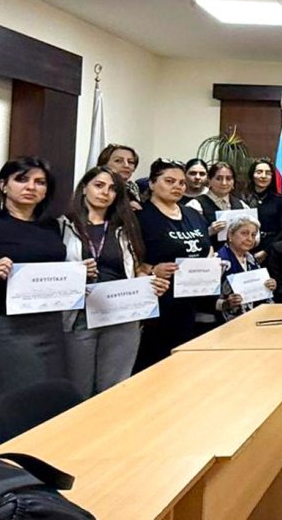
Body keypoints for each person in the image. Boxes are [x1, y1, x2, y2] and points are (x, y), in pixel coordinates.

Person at [59, 166, 169, 397]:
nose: (105, 193)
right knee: (78, 389)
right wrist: (75, 273)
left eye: (112, 189)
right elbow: (52, 271)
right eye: (99, 186)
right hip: (80, 315)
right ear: (84, 188)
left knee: (116, 388)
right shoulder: (63, 225)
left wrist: (149, 282)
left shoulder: (125, 227)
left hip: (122, 314)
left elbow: (136, 268)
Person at [135, 158, 215, 370]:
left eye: (181, 183)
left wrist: (212, 264)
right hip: (159, 304)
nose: (177, 187)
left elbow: (207, 248)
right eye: (169, 181)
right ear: (152, 183)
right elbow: (128, 260)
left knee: (188, 364)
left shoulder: (192, 214)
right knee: (157, 364)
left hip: (194, 301)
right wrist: (152, 269)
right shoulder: (141, 217)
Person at [0, 157, 69, 395]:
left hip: (50, 321)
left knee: (51, 391)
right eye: (22, 179)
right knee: (20, 393)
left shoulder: (51, 226)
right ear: (3, 185)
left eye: (40, 182)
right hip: (9, 324)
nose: (31, 187)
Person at [216, 217, 277, 321]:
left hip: (255, 318)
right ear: (230, 235)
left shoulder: (251, 259)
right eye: (244, 233)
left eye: (253, 235)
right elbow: (205, 300)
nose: (250, 239)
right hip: (225, 323)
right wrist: (226, 303)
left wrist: (269, 285)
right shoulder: (219, 261)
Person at [186, 161, 248, 250]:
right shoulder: (195, 206)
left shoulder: (242, 205)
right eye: (219, 178)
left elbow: (256, 237)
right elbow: (187, 237)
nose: (224, 183)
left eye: (228, 178)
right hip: (207, 255)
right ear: (209, 180)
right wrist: (210, 231)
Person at [244, 158, 282, 261]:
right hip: (246, 246)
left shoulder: (279, 200)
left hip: (272, 249)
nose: (263, 176)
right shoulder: (242, 199)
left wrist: (266, 251)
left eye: (268, 173)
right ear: (252, 175)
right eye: (259, 172)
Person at [96, 143, 142, 209]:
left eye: (130, 162)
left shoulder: (134, 188)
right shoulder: (96, 189)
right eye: (118, 161)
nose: (126, 165)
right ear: (104, 165)